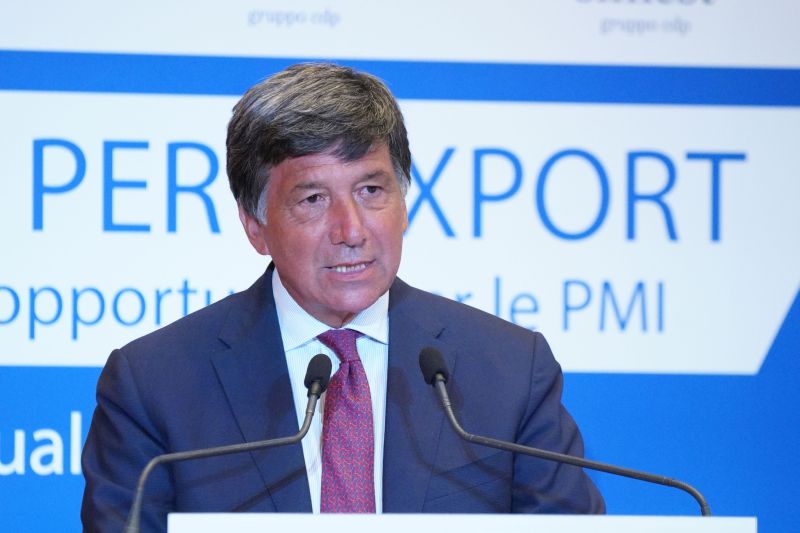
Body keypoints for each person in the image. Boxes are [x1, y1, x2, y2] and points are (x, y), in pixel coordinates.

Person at [81, 63, 604, 532]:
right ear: (255, 225)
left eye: (371, 191)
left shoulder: (510, 371)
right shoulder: (154, 386)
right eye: (313, 199)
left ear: (403, 202)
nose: (351, 230)